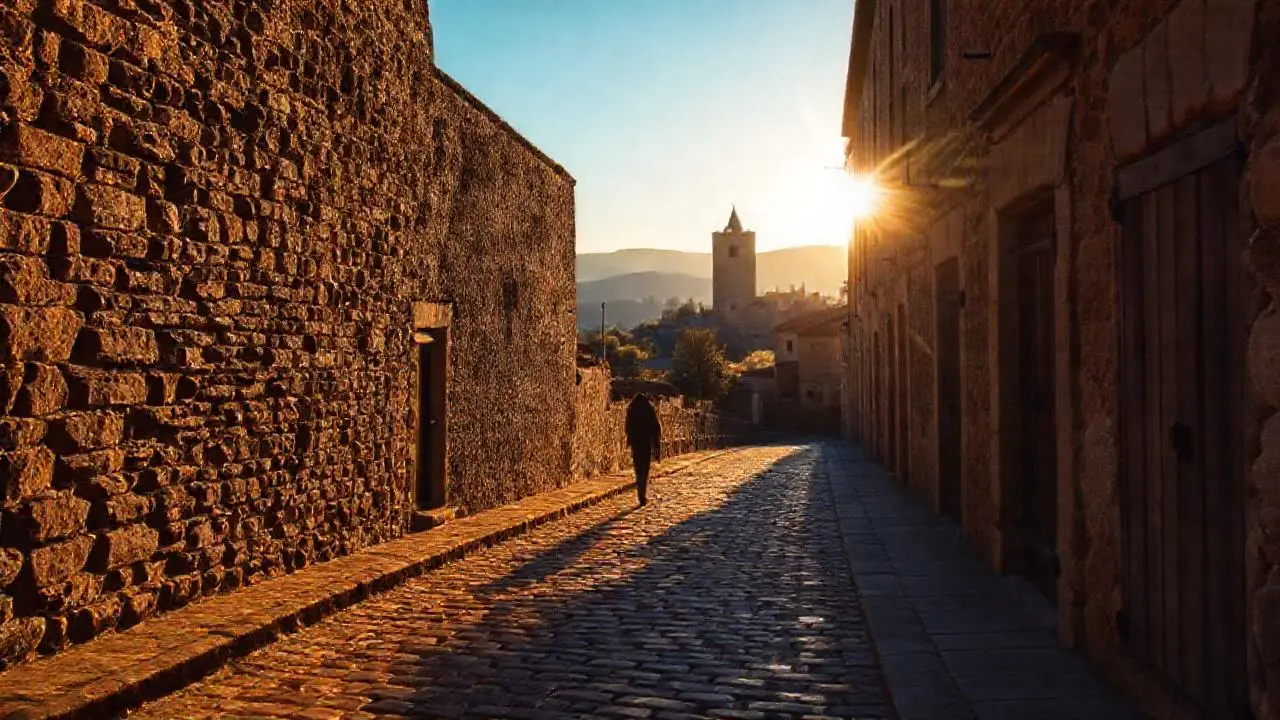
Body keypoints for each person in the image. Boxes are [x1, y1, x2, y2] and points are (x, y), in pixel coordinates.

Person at [624, 392, 662, 506]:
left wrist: (629, 440)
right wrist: (656, 445)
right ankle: (642, 494)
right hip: (646, 442)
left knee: (638, 468)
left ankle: (640, 494)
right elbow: (656, 427)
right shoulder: (649, 408)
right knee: (644, 469)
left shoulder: (632, 409)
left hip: (636, 443)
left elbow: (628, 426)